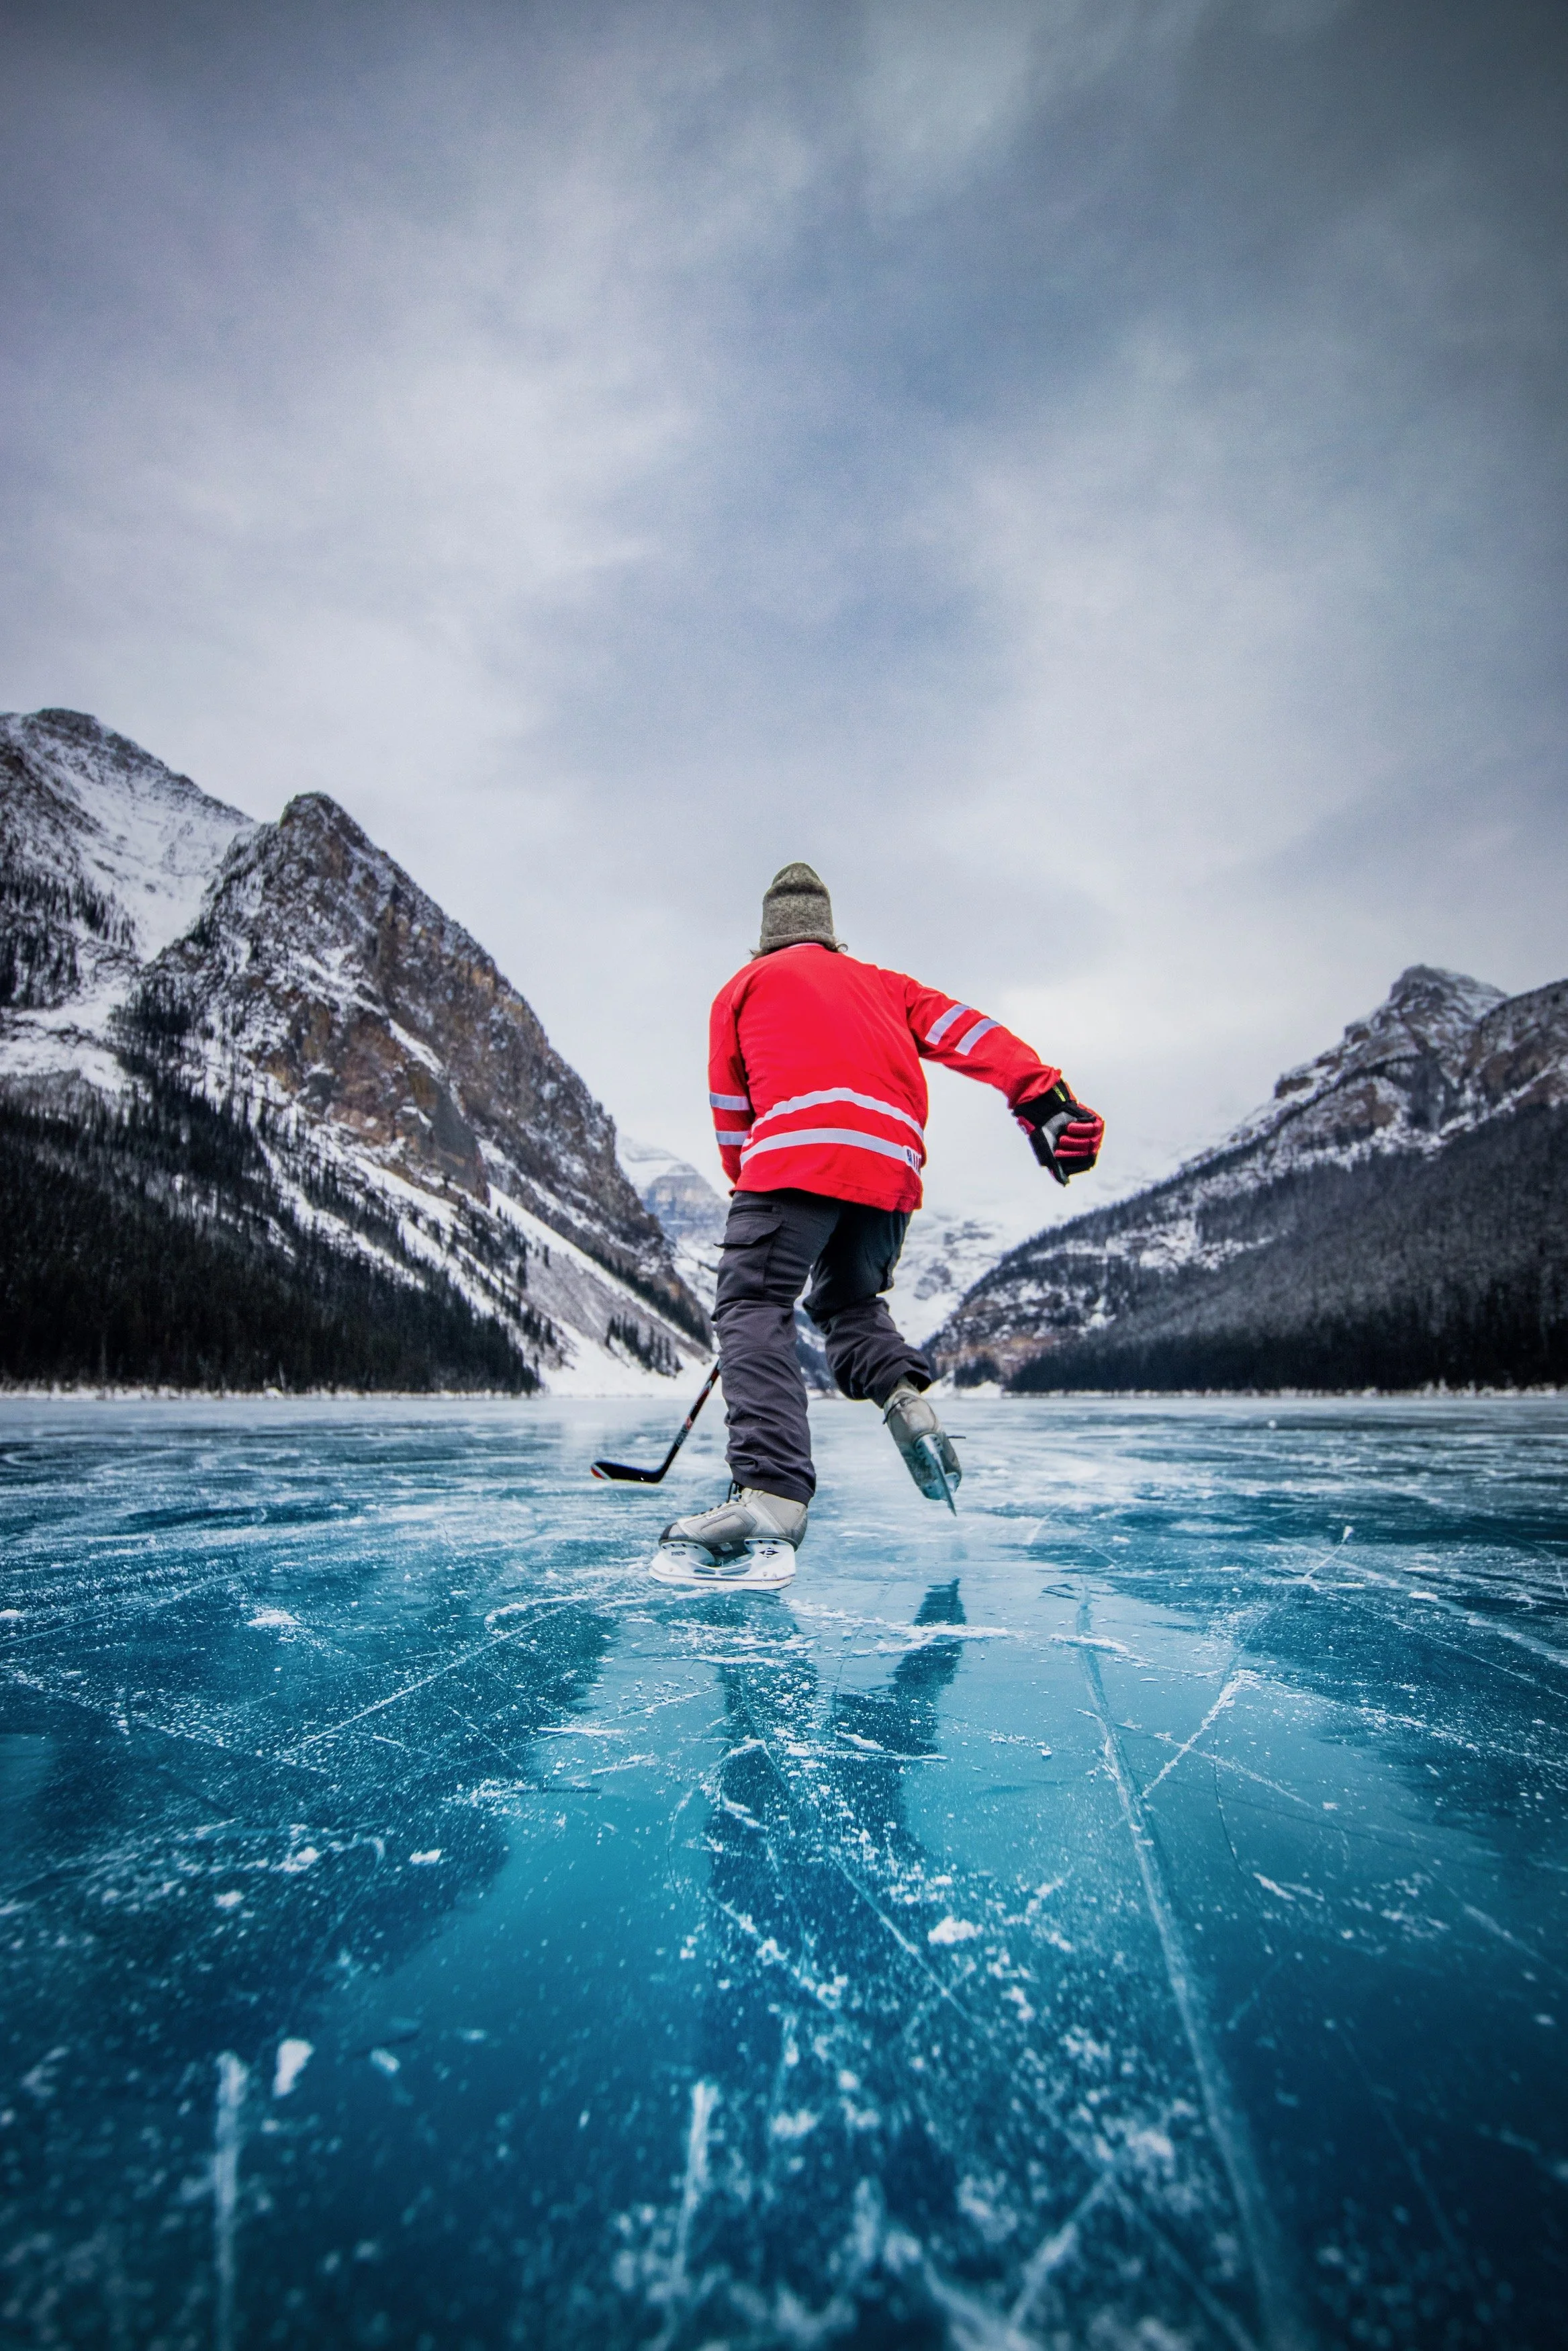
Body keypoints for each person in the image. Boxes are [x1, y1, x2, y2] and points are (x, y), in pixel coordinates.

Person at [655, 862, 1103, 1586]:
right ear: (829, 933)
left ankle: (771, 1493)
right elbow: (970, 1032)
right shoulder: (888, 985)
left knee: (753, 1301)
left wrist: (754, 1188)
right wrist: (1042, 1096)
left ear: (764, 938)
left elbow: (729, 1105)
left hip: (792, 1154)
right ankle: (904, 1397)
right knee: (847, 1302)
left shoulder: (740, 989)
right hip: (889, 1169)